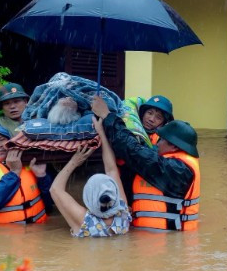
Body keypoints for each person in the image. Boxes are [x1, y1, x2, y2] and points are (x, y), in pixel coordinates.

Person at [92, 95, 200, 232]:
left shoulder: (178, 169)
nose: (157, 143)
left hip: (167, 242)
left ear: (173, 146)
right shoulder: (172, 161)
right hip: (149, 239)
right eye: (149, 113)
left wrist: (108, 116)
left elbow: (135, 152)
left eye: (161, 140)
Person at [49, 116, 132, 237]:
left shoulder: (84, 221)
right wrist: (102, 133)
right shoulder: (123, 213)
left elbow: (55, 189)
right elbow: (111, 169)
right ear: (114, 193)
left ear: (88, 198)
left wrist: (74, 162)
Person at [0, 123, 52, 224]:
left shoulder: (27, 161)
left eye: (2, 139)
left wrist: (41, 176)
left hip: (39, 230)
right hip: (4, 235)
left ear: (10, 142)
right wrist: (14, 172)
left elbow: (50, 202)